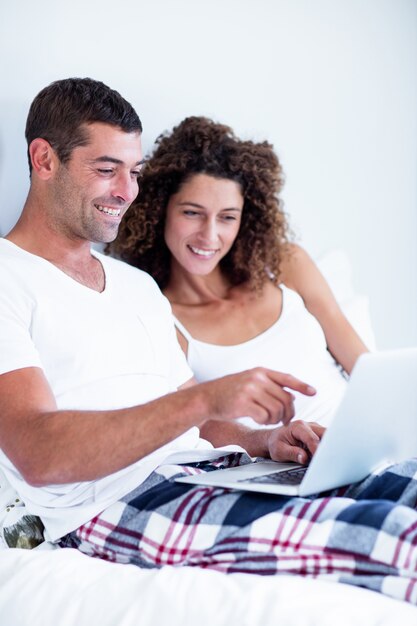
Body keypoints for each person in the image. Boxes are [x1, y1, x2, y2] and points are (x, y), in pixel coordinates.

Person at [0, 80, 416, 606]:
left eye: (134, 171)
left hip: (213, 472)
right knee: (396, 536)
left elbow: (199, 426)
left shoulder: (135, 285)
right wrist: (204, 397)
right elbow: (37, 453)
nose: (127, 191)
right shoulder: (7, 280)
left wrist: (268, 441)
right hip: (121, 501)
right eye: (107, 170)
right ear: (44, 160)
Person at [108, 116, 369, 427]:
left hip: (368, 443)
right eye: (192, 213)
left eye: (228, 217)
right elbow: (199, 427)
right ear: (159, 210)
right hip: (288, 466)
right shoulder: (162, 320)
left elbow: (366, 368)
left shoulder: (287, 265)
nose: (210, 235)